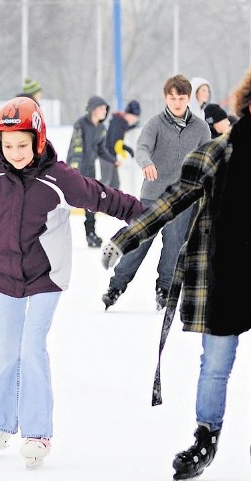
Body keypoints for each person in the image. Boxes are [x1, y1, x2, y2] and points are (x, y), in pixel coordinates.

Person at [101, 62, 251, 481]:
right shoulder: (217, 153)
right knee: (215, 364)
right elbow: (173, 199)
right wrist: (126, 238)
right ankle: (205, 436)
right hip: (224, 274)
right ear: (250, 107)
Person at [0, 97, 144, 468]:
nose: (15, 152)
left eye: (23, 144)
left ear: (38, 138)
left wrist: (146, 215)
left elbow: (102, 197)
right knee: (4, 351)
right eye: (8, 145)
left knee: (31, 347)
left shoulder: (58, 177)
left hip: (46, 276)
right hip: (4, 276)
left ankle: (37, 431)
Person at [101, 75, 210, 311]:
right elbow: (142, 148)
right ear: (165, 98)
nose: (177, 103)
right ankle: (116, 286)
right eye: (172, 98)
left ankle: (165, 289)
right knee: (139, 242)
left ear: (188, 98)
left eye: (181, 98)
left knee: (174, 244)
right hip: (153, 195)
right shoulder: (155, 124)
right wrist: (146, 163)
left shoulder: (201, 128)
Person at [67, 95, 121, 247]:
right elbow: (76, 147)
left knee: (91, 202)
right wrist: (74, 170)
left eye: (105, 109)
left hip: (89, 170)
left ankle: (90, 233)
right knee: (64, 202)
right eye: (102, 109)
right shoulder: (80, 124)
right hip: (74, 170)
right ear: (93, 110)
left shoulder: (101, 128)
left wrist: (113, 160)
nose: (105, 112)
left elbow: (101, 150)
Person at [99, 99, 141, 189]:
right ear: (129, 114)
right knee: (106, 181)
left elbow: (121, 131)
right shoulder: (118, 123)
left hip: (111, 155)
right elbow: (116, 142)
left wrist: (132, 126)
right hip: (107, 155)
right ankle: (93, 197)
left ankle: (111, 202)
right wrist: (129, 150)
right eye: (134, 117)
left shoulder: (121, 122)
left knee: (115, 184)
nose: (135, 119)